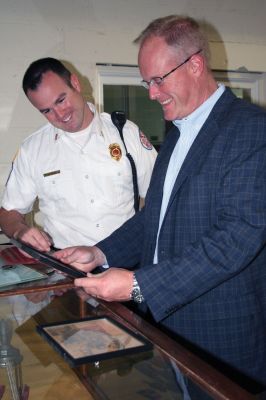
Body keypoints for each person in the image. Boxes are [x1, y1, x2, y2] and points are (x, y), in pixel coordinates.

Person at [54, 15, 266, 386]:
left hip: (220, 341)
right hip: (166, 329)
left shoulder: (251, 130)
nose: (151, 93)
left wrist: (140, 285)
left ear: (195, 64)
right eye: (146, 82)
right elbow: (155, 216)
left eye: (157, 80)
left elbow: (237, 238)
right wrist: (100, 253)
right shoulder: (178, 134)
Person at [0, 58, 157, 251]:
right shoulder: (32, 150)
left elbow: (160, 196)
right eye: (47, 110)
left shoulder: (126, 133)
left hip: (126, 264)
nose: (59, 114)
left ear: (75, 83)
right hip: (67, 271)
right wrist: (20, 231)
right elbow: (9, 212)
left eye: (61, 100)